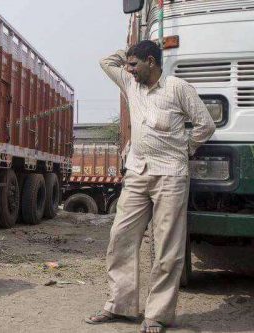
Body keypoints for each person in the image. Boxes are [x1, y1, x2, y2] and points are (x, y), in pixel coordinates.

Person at [85, 41, 215, 332]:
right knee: (121, 237)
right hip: (136, 173)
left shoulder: (178, 88)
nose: (128, 70)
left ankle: (157, 315)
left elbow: (205, 125)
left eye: (134, 64)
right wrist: (129, 50)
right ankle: (121, 306)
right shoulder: (131, 85)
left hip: (170, 174)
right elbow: (106, 61)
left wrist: (185, 147)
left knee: (167, 247)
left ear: (151, 62)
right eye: (127, 65)